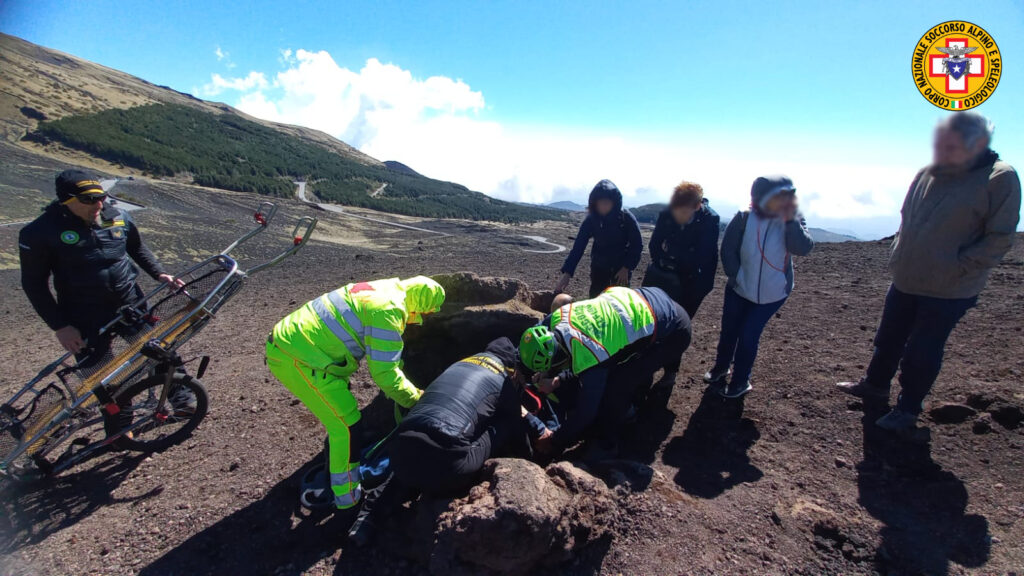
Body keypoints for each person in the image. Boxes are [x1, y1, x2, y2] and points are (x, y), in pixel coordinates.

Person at [837, 113, 1020, 431]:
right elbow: (907, 216)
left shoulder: (998, 178)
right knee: (888, 338)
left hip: (949, 288)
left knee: (922, 350)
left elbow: (1000, 237)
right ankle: (875, 384)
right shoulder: (928, 172)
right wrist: (899, 250)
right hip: (907, 276)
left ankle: (907, 409)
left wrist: (959, 266)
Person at [265, 276, 446, 510]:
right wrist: (415, 401)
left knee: (341, 415)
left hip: (297, 345)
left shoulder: (387, 289)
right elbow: (384, 374)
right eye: (426, 312)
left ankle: (337, 462)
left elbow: (385, 357)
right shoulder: (389, 310)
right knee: (346, 426)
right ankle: (346, 500)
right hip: (301, 360)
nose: (420, 319)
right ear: (421, 303)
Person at [347, 337, 526, 545]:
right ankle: (437, 508)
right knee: (501, 424)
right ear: (510, 367)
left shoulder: (459, 364)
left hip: (400, 450)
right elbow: (517, 428)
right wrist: (532, 460)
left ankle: (365, 520)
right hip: (451, 468)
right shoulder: (503, 379)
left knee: (410, 465)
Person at [19, 169, 181, 365]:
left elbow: (136, 247)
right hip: (83, 316)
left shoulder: (118, 217)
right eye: (88, 199)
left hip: (130, 303)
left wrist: (160, 273)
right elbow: (33, 283)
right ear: (66, 200)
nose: (98, 204)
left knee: (164, 357)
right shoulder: (39, 232)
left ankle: (181, 394)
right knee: (101, 380)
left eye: (101, 197)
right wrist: (60, 326)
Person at [519, 286, 692, 456]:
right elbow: (559, 355)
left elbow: (586, 413)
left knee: (617, 386)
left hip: (674, 329)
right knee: (621, 362)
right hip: (648, 298)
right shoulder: (558, 316)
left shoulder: (593, 354)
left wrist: (555, 440)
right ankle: (638, 397)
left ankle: (607, 443)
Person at [705, 175, 814, 399]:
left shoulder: (792, 219)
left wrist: (790, 220)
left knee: (748, 335)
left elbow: (801, 248)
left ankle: (740, 381)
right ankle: (721, 367)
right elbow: (728, 249)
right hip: (740, 288)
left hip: (773, 292)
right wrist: (736, 275)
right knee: (729, 331)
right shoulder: (745, 216)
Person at [643, 181, 721, 320]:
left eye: (684, 212)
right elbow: (655, 244)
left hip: (693, 277)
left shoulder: (709, 220)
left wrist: (678, 264)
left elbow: (705, 255)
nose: (679, 216)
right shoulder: (667, 213)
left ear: (697, 206)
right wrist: (662, 263)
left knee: (679, 317)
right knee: (650, 311)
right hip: (665, 270)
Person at [555, 179, 643, 298]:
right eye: (600, 203)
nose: (603, 206)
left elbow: (637, 245)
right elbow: (578, 247)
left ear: (614, 202)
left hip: (621, 269)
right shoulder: (592, 220)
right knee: (596, 300)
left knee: (619, 303)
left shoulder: (625, 218)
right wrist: (567, 274)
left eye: (607, 202)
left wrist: (627, 267)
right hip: (599, 267)